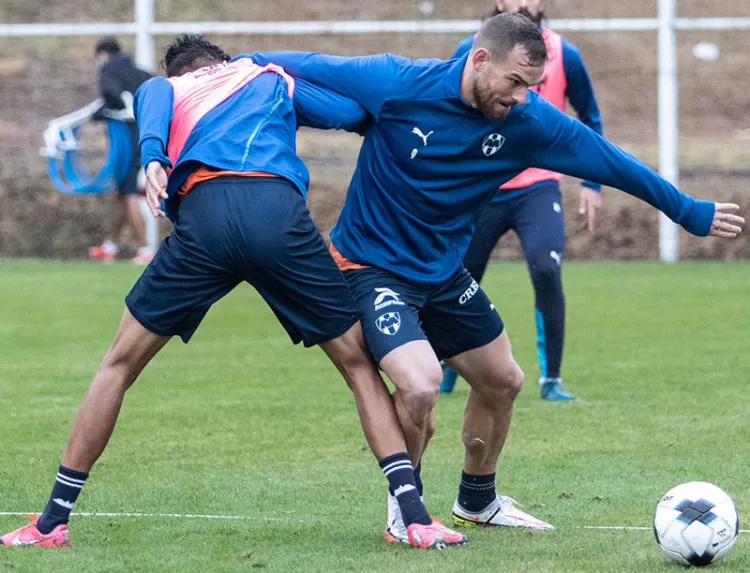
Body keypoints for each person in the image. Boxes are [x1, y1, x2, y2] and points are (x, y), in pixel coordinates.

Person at [250, 13, 744, 541]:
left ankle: (477, 501)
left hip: (441, 273)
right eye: (514, 82)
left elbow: (612, 163)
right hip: (371, 268)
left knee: (503, 380)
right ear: (480, 59)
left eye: (531, 87)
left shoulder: (528, 122)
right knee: (419, 386)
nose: (521, 97)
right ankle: (406, 511)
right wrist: (223, 70)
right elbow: (298, 64)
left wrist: (687, 210)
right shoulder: (398, 81)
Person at [0, 35, 465, 551]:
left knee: (118, 365)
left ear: (179, 70)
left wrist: (153, 156)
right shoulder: (265, 76)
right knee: (358, 366)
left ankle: (51, 523)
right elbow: (349, 111)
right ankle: (415, 516)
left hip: (208, 218)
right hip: (278, 216)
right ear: (223, 62)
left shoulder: (168, 87)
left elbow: (153, 100)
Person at [441, 0, 603, 400]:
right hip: (483, 187)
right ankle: (446, 364)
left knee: (546, 269)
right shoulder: (471, 49)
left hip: (538, 186)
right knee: (457, 275)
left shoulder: (566, 54)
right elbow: (445, 114)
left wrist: (592, 184)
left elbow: (590, 118)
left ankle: (551, 380)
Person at [88, 37, 155, 265]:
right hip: (141, 135)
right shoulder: (139, 72)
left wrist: (108, 108)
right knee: (121, 193)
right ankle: (111, 245)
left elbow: (110, 94)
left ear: (102, 54)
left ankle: (145, 248)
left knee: (128, 192)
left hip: (126, 140)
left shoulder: (109, 70)